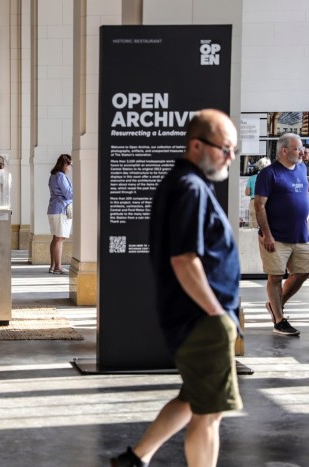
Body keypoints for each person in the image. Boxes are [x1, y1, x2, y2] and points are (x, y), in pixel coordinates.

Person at [111, 109, 242, 467]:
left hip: (196, 319)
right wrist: (218, 316)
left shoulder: (186, 183)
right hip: (201, 320)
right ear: (197, 144)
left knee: (191, 399)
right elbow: (184, 259)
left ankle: (135, 458)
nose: (230, 157)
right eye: (224, 148)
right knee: (210, 414)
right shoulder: (190, 187)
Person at [254, 132, 308, 337]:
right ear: (284, 150)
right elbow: (260, 206)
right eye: (297, 148)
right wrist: (267, 235)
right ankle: (279, 320)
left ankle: (276, 304)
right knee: (275, 277)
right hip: (275, 236)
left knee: (303, 272)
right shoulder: (269, 174)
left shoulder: (302, 168)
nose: (301, 151)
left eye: (302, 147)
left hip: (301, 234)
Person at [47, 154, 72, 275]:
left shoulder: (53, 176)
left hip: (53, 210)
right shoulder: (61, 176)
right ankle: (58, 267)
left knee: (55, 238)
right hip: (61, 210)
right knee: (59, 239)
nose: (70, 168)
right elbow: (68, 194)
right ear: (64, 164)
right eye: (69, 165)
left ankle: (53, 266)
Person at [244, 156, 270, 228]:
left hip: (254, 201)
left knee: (253, 225)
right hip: (266, 201)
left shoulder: (252, 178)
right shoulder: (270, 178)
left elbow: (247, 193)